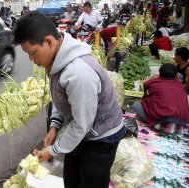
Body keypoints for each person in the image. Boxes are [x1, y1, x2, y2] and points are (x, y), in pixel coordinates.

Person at [13, 11, 125, 188]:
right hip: (82, 129)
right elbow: (62, 97)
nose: (31, 60)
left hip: (101, 136)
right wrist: (55, 126)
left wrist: (52, 151)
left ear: (49, 41)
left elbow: (82, 123)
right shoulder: (57, 59)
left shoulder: (79, 73)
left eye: (32, 53)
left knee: (91, 181)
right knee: (72, 178)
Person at [132, 63, 188, 134]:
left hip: (160, 125)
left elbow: (146, 101)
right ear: (175, 75)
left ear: (160, 73)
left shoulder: (154, 83)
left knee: (136, 105)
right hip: (179, 128)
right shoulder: (180, 86)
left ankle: (145, 123)